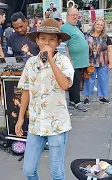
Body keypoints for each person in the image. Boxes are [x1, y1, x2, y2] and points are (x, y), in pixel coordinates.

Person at [15, 18, 74, 180]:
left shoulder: (63, 61)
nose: (47, 42)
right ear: (37, 40)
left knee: (56, 172)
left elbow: (65, 85)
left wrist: (51, 60)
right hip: (36, 123)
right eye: (43, 38)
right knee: (28, 170)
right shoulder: (31, 63)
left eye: (52, 39)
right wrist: (20, 118)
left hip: (57, 125)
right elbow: (26, 91)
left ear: (58, 42)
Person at [61, 8, 89, 112]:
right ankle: (77, 102)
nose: (75, 17)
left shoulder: (75, 27)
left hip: (79, 61)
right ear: (67, 16)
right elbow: (64, 45)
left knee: (75, 81)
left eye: (77, 15)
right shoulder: (65, 28)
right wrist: (68, 59)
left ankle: (72, 101)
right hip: (74, 61)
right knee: (75, 82)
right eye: (73, 15)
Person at [83, 19, 112, 105]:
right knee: (89, 79)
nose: (99, 26)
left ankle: (102, 97)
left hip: (103, 61)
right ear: (94, 25)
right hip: (90, 62)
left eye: (101, 25)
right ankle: (87, 97)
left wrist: (111, 63)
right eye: (98, 24)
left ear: (103, 27)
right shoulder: (86, 36)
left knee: (103, 79)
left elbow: (110, 50)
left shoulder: (106, 37)